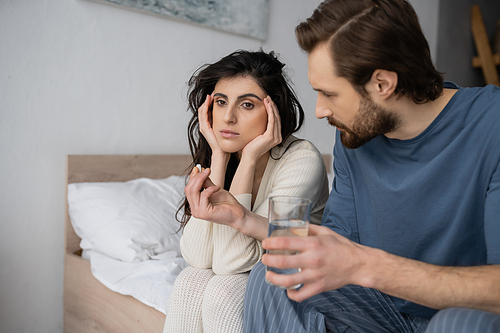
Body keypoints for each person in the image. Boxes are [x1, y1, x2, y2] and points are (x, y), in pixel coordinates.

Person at [183, 1, 500, 332]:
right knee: (278, 271)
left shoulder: (491, 124)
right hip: (379, 311)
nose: (320, 111)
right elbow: (328, 244)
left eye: (329, 94)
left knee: (457, 322)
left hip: (458, 313)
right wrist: (244, 219)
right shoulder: (355, 136)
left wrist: (366, 265)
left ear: (383, 84)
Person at [163, 50, 330, 333]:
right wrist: (218, 156)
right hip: (246, 270)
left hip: (297, 278)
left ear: (273, 109)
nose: (227, 117)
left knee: (222, 290)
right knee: (189, 282)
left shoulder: (302, 160)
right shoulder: (217, 157)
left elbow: (232, 263)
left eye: (247, 105)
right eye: (220, 102)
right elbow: (198, 258)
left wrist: (250, 158)